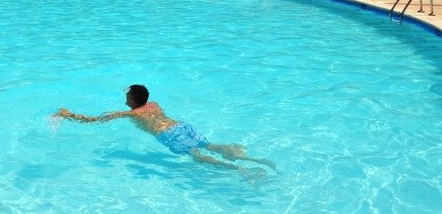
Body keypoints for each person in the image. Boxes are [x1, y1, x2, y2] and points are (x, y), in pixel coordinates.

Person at [54, 85, 276, 173]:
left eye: (127, 95)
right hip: (182, 126)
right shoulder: (154, 104)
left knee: (196, 156)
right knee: (210, 145)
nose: (125, 98)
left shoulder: (130, 113)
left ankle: (238, 169)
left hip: (168, 135)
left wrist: (68, 115)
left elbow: (95, 120)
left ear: (131, 100)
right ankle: (255, 161)